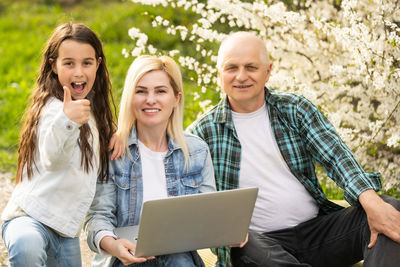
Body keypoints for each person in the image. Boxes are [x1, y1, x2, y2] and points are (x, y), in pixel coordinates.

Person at [187, 31, 400, 267]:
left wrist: (372, 202)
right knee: (246, 246)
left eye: (251, 67)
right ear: (219, 74)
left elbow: (337, 157)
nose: (241, 76)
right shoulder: (201, 133)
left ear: (268, 71)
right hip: (256, 246)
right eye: (231, 68)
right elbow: (186, 199)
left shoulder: (296, 110)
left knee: (388, 210)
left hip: (318, 234)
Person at [0, 22, 117, 266]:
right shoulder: (52, 109)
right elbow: (53, 157)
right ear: (53, 65)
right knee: (27, 247)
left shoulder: (96, 109)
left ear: (98, 63)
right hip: (29, 217)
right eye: (69, 63)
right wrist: (67, 122)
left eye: (87, 63)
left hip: (65, 232)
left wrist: (116, 134)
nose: (78, 72)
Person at [84, 55, 217, 267]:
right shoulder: (113, 151)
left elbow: (210, 214)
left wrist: (228, 230)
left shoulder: (196, 151)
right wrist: (112, 245)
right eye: (141, 91)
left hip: (179, 256)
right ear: (130, 97)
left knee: (179, 260)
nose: (150, 99)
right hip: (126, 258)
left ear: (177, 98)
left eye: (161, 91)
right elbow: (98, 218)